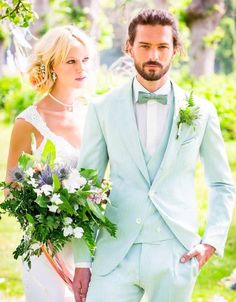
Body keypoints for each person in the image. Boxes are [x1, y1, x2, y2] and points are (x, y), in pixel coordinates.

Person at [72, 9, 236, 302]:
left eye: (162, 46)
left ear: (176, 49)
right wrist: (83, 261)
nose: (154, 55)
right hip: (114, 254)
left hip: (176, 254)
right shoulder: (102, 109)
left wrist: (211, 242)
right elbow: (87, 187)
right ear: (129, 47)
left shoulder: (202, 111)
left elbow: (221, 184)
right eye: (144, 46)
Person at [5, 25, 93, 302]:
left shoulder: (93, 114)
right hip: (46, 246)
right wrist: (47, 218)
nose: (81, 68)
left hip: (89, 243)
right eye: (71, 61)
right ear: (53, 65)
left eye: (85, 60)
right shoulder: (28, 122)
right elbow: (12, 188)